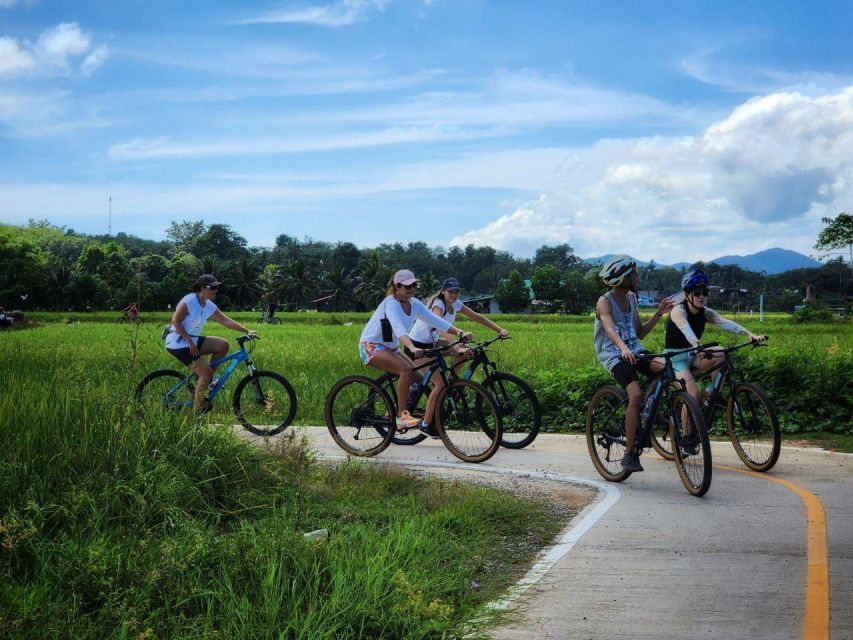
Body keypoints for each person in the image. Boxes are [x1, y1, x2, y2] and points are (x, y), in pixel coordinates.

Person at [359, 269, 473, 434]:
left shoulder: (415, 303)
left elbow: (436, 320)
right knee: (405, 369)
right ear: (396, 287)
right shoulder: (391, 303)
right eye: (407, 286)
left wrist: (459, 332)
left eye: (414, 285)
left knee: (419, 379)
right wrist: (412, 347)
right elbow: (398, 328)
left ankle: (422, 420)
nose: (411, 289)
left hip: (390, 347)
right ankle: (401, 416)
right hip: (370, 346)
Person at [593, 255, 674, 472]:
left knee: (667, 368)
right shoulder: (604, 301)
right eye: (634, 274)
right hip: (614, 354)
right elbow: (609, 329)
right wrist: (623, 348)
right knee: (635, 394)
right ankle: (630, 453)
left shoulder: (631, 298)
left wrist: (658, 314)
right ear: (623, 278)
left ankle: (648, 410)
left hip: (634, 351)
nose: (637, 278)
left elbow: (639, 332)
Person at [407, 277, 509, 435]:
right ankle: (426, 425)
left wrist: (499, 329)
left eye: (456, 291)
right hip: (418, 347)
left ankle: (451, 384)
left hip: (433, 344)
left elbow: (476, 316)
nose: (454, 295)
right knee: (440, 382)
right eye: (450, 292)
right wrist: (455, 347)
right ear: (443, 292)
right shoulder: (438, 304)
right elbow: (440, 326)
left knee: (467, 352)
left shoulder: (455, 303)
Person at [665, 268, 765, 405]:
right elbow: (686, 329)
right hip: (676, 357)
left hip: (693, 355)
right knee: (692, 395)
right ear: (687, 294)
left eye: (704, 293)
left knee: (720, 353)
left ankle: (712, 394)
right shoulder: (678, 311)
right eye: (697, 293)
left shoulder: (705, 312)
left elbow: (726, 322)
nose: (702, 296)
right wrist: (696, 344)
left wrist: (750, 334)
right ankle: (687, 427)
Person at [164, 274, 253, 412]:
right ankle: (195, 413)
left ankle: (207, 381)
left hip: (192, 340)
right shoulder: (190, 301)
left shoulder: (209, 305)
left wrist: (246, 330)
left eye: (216, 287)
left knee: (223, 345)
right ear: (202, 287)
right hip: (179, 342)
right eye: (212, 287)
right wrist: (189, 341)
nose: (215, 290)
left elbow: (226, 321)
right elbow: (175, 321)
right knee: (205, 373)